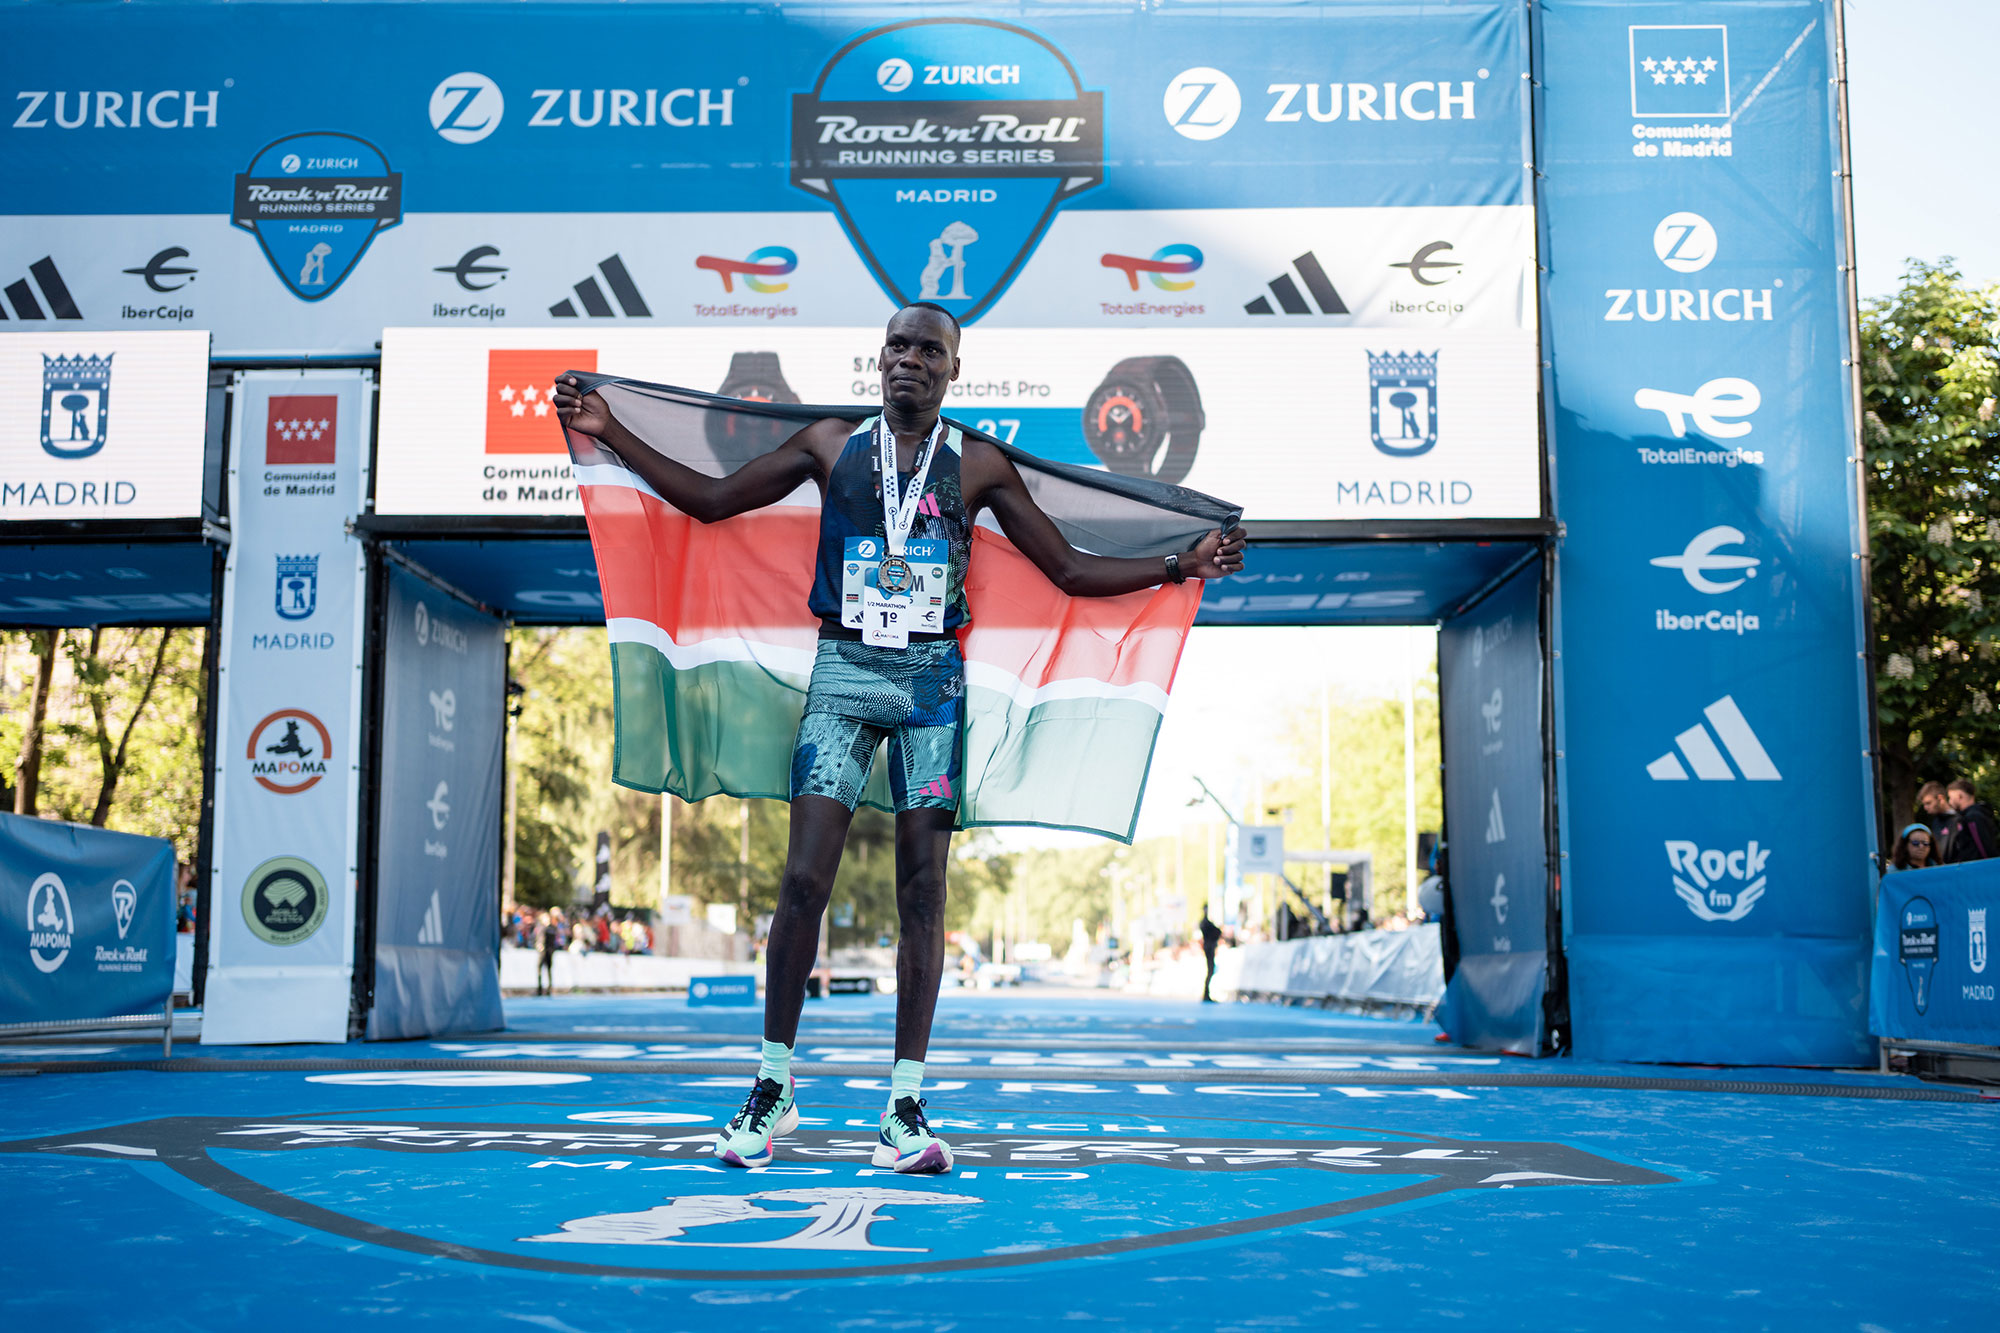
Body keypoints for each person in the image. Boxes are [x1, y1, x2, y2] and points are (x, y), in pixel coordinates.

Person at [556, 303, 1245, 1175]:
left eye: (930, 349)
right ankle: (772, 1086)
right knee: (803, 880)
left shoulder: (980, 463)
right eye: (898, 346)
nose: (910, 360)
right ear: (876, 358)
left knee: (923, 893)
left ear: (955, 369)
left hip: (930, 686)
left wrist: (1181, 563)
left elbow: (1068, 567)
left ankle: (904, 1106)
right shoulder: (828, 445)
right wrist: (610, 429)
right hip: (843, 676)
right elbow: (710, 500)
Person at [1941, 779, 1999, 863]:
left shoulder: (1973, 817)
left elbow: (1983, 847)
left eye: (1950, 797)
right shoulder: (1970, 816)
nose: (1949, 802)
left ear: (1959, 796)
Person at [1198, 909, 1222, 1003]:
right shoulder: (1206, 923)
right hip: (1209, 947)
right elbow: (1217, 932)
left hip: (1209, 946)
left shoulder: (1205, 923)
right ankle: (1206, 993)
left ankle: (1206, 993)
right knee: (1210, 970)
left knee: (1211, 970)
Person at [536, 909, 558, 996]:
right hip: (547, 950)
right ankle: (542, 987)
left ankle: (546, 988)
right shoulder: (548, 928)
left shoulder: (548, 928)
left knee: (545, 969)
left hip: (546, 951)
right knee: (543, 969)